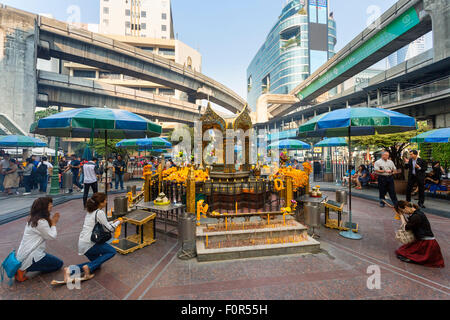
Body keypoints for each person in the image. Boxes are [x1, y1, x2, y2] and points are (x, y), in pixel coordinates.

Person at [68, 193, 122, 281]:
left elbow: (105, 224)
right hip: (90, 243)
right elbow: (110, 229)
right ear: (100, 203)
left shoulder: (91, 211)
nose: (106, 202)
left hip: (82, 243)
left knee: (97, 264)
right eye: (105, 200)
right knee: (112, 251)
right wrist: (119, 222)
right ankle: (88, 267)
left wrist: (113, 222)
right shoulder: (99, 212)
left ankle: (71, 270)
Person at [15, 197, 63, 282]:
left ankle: (23, 268)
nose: (52, 206)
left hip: (25, 253)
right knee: (58, 264)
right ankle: (23, 270)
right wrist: (54, 223)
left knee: (50, 260)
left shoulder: (33, 219)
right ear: (43, 208)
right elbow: (51, 236)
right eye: (50, 205)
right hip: (32, 256)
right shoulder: (40, 221)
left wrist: (51, 222)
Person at [394, 201, 444, 268]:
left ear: (406, 207)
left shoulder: (416, 216)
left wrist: (401, 216)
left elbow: (406, 228)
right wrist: (401, 215)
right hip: (422, 240)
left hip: (427, 243)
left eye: (402, 211)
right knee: (402, 251)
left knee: (405, 253)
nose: (404, 213)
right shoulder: (417, 213)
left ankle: (413, 259)